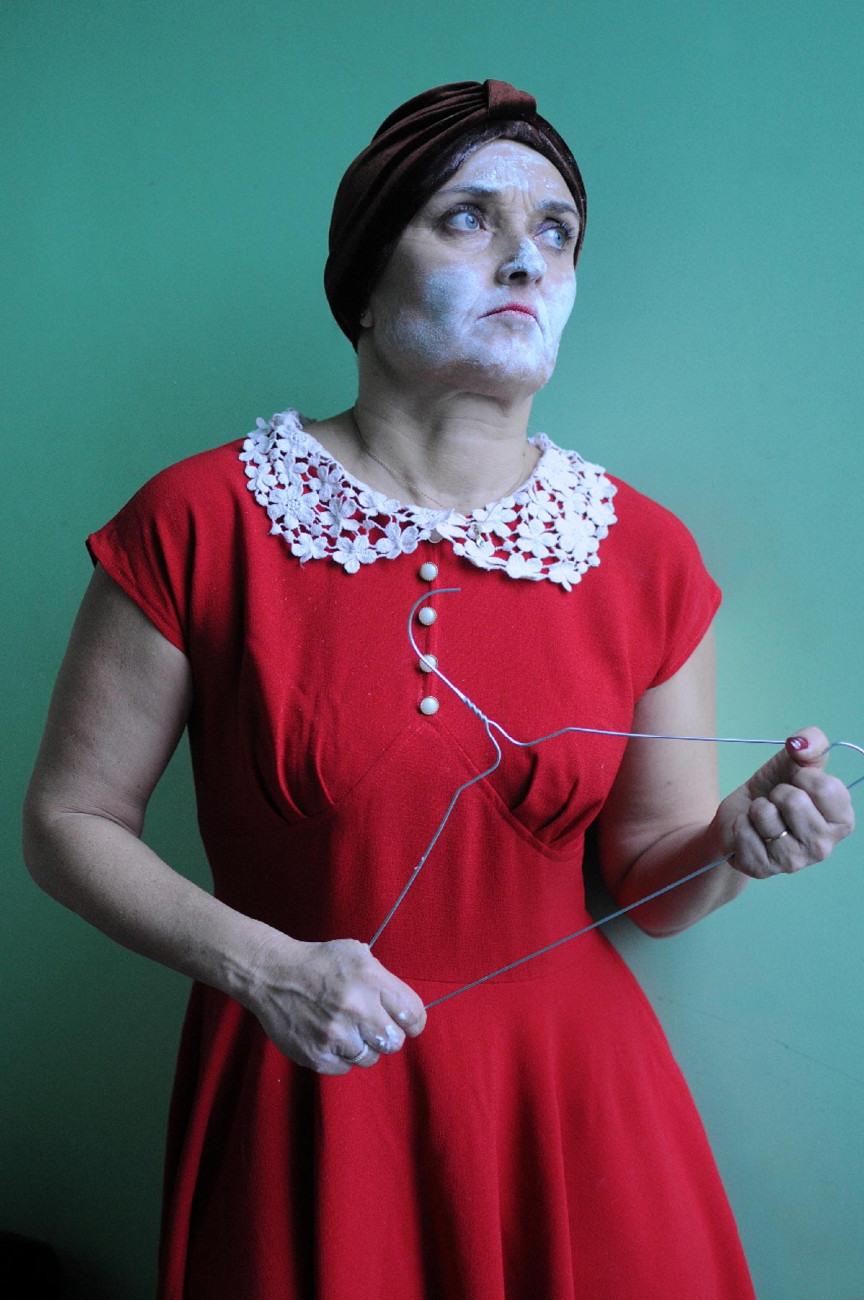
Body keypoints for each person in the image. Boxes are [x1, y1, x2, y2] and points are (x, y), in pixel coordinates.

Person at [23, 80, 854, 1299]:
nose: (525, 256)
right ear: (363, 280)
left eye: (557, 231)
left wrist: (740, 840)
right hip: (309, 1101)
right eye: (468, 217)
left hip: (576, 1121)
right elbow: (67, 822)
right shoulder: (201, 518)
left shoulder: (646, 552)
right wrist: (265, 969)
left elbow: (650, 885)